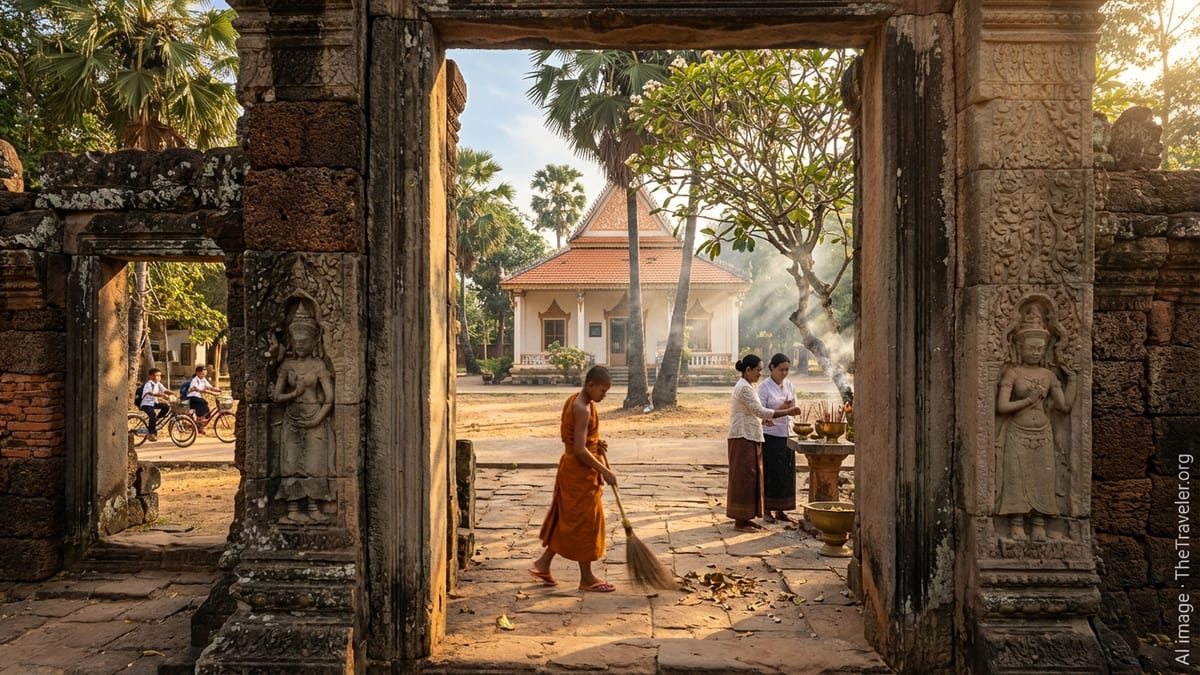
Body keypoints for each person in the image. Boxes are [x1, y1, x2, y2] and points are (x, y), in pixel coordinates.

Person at [529, 365, 618, 592]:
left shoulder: (579, 400)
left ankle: (543, 564)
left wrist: (597, 443)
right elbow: (579, 449)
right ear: (590, 385)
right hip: (579, 471)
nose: (604, 396)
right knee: (586, 522)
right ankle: (587, 578)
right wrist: (605, 471)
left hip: (574, 469)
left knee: (569, 519)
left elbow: (582, 439)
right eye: (603, 390)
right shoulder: (582, 408)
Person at [995, 303, 1077, 541]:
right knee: (1016, 478)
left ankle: (1039, 522)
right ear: (1020, 347)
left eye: (1039, 349)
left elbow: (1064, 407)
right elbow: (1001, 407)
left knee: (1043, 477)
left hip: (1042, 432)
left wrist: (1073, 379)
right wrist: (1028, 400)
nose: (1035, 353)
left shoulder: (1049, 375)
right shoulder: (1013, 373)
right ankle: (1016, 523)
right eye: (1031, 348)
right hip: (1017, 432)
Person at [271, 303, 336, 524]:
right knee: (290, 463)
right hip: (292, 419)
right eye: (296, 342)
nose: (299, 345)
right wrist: (294, 394)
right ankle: (292, 508)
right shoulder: (287, 366)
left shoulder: (318, 366)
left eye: (304, 342)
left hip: (316, 420)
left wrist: (317, 419)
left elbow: (330, 397)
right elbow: (276, 396)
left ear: (313, 341)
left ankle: (313, 506)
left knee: (315, 465)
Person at [727, 354, 803, 532]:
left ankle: (746, 517)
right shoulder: (745, 388)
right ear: (747, 370)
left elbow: (755, 412)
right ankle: (740, 520)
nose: (759, 374)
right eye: (758, 370)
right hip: (742, 435)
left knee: (751, 478)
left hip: (751, 434)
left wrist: (765, 418)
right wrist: (787, 411)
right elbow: (759, 409)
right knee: (743, 479)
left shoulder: (747, 386)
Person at [759, 353, 797, 523]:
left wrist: (792, 408)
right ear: (772, 368)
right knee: (771, 472)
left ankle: (782, 509)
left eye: (787, 370)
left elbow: (794, 404)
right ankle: (767, 509)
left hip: (786, 433)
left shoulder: (789, 385)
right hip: (771, 434)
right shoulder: (764, 387)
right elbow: (760, 411)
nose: (784, 373)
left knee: (786, 473)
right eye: (781, 369)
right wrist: (783, 408)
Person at [138, 368, 171, 442]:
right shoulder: (148, 384)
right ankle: (151, 433)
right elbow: (149, 393)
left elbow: (165, 390)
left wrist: (173, 393)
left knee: (166, 407)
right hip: (146, 404)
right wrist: (158, 394)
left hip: (153, 403)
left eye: (160, 376)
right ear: (151, 376)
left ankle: (156, 419)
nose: (159, 377)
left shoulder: (158, 383)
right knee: (152, 415)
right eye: (157, 375)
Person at [186, 365, 222, 431]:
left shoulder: (203, 379)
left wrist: (218, 390)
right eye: (201, 374)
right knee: (203, 402)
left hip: (198, 398)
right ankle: (200, 420)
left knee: (207, 409)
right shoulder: (195, 380)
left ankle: (201, 424)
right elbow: (197, 389)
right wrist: (211, 392)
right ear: (197, 373)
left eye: (204, 374)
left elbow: (209, 387)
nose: (203, 375)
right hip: (192, 398)